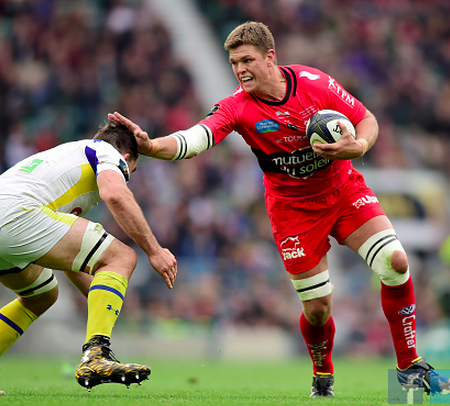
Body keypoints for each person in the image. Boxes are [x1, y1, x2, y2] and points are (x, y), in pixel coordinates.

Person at [108, 21, 447, 398]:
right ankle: (322, 372)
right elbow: (196, 138)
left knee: (396, 262)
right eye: (234, 62)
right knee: (318, 310)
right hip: (293, 213)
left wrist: (359, 147)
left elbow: (366, 119)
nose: (240, 69)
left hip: (344, 192)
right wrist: (152, 146)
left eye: (247, 60)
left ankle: (409, 369)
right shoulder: (237, 108)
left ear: (270, 58)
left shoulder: (314, 82)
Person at [0, 123, 177, 391]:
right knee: (123, 257)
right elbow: (115, 195)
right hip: (18, 215)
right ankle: (96, 355)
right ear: (127, 158)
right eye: (132, 172)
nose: (127, 176)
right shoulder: (108, 153)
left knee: (41, 295)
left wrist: (104, 304)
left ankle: (97, 348)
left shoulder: (68, 158)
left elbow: (73, 261)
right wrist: (155, 251)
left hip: (10, 215)